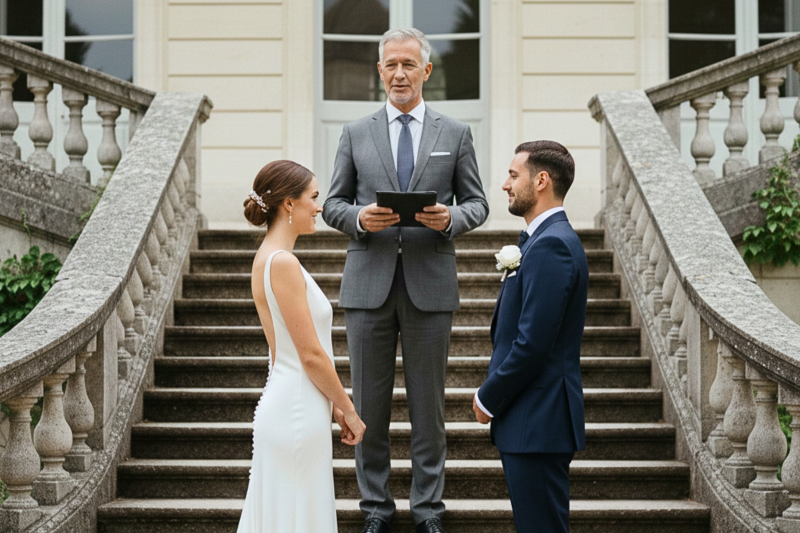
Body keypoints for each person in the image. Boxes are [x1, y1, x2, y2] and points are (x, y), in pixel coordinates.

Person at [323, 27, 489, 533]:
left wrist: (452, 221)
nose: (399, 73)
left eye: (408, 65)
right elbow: (331, 203)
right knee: (367, 408)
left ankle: (428, 511)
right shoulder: (354, 133)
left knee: (428, 410)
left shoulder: (455, 133)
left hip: (430, 285)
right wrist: (358, 219)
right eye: (390, 65)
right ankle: (374, 508)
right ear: (380, 72)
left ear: (426, 71)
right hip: (368, 286)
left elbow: (478, 203)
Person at [237, 160, 366, 533]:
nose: (320, 207)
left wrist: (331, 404)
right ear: (288, 204)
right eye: (313, 197)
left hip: (294, 403)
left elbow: (285, 355)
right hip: (295, 410)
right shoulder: (282, 264)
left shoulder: (267, 259)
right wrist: (348, 409)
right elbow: (309, 355)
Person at [473, 141, 588, 533]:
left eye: (512, 175)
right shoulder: (542, 240)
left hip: (538, 421)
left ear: (541, 181)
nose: (505, 184)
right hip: (532, 422)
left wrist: (488, 396)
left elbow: (533, 343)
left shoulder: (552, 244)